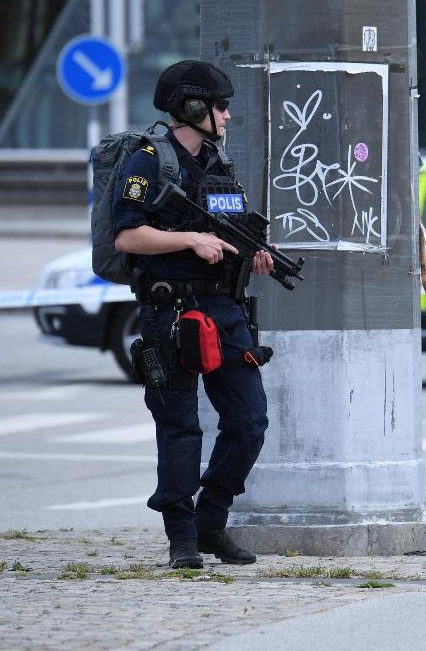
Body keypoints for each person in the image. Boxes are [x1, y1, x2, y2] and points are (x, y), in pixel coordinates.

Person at [113, 60, 275, 569]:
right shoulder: (146, 161)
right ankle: (182, 538)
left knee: (249, 421)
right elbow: (127, 236)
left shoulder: (218, 162)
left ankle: (211, 522)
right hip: (170, 310)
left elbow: (229, 231)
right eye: (221, 106)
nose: (227, 116)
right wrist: (190, 239)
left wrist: (254, 254)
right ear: (193, 106)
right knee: (180, 426)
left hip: (223, 308)